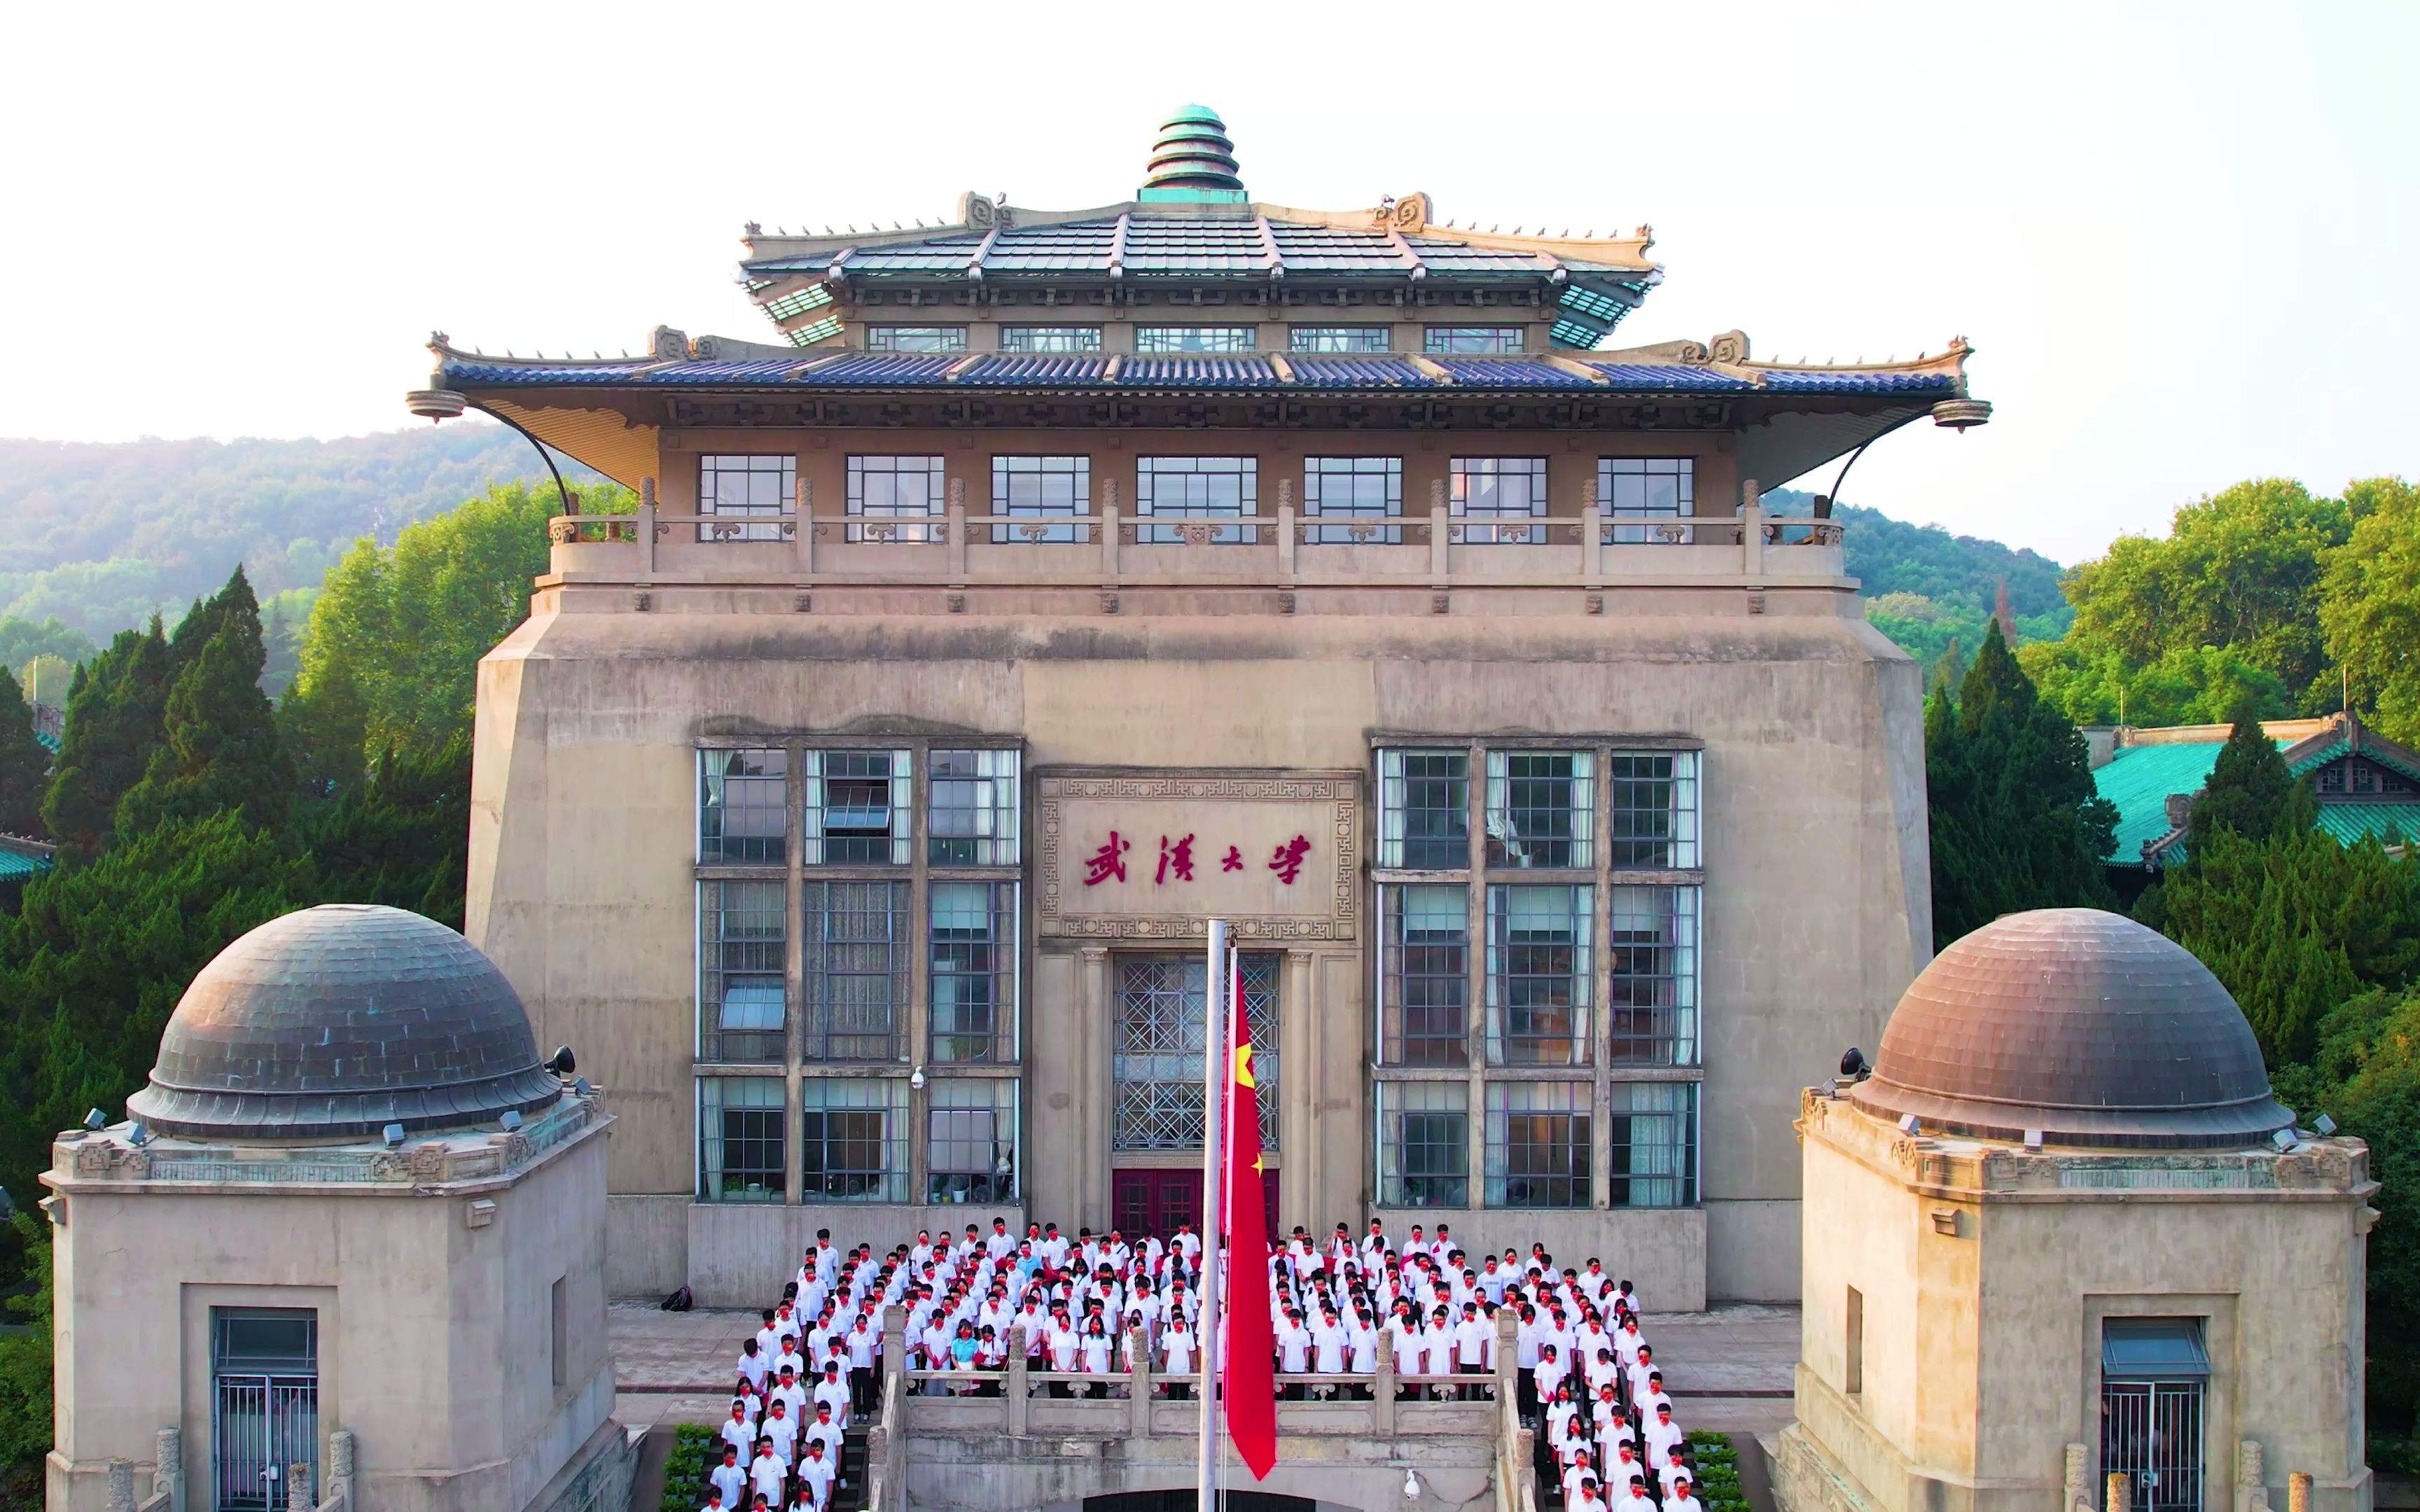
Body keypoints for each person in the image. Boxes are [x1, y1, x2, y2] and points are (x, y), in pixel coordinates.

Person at [1161, 1312, 1197, 1399]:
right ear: (1173, 1324)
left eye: (1181, 1323)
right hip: (1172, 1369)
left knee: (1184, 1394)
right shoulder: (1168, 1337)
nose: (1179, 1325)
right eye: (1177, 1323)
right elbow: (1165, 1352)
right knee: (1172, 1393)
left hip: (1184, 1369)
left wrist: (1192, 1367)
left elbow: (1191, 1352)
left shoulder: (1188, 1337)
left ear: (1184, 1324)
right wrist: (1165, 1367)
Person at [748, 1441, 786, 1511]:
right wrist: (754, 1500)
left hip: (774, 1501)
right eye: (763, 1447)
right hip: (760, 1501)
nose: (766, 1449)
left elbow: (782, 1482)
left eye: (768, 1447)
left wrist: (781, 1501)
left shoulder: (780, 1461)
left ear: (772, 1447)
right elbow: (754, 1482)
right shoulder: (757, 1461)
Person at [710, 1446, 749, 1512]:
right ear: (724, 1456)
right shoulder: (717, 1470)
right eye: (728, 1458)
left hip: (734, 1505)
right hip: (720, 1506)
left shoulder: (740, 1471)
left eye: (733, 1458)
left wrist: (739, 1503)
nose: (730, 1460)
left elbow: (742, 1488)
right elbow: (714, 1486)